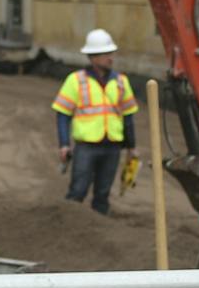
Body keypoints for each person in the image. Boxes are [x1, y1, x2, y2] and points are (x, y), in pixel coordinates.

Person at [53, 28, 139, 216]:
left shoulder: (121, 82)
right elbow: (63, 114)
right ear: (93, 57)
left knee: (103, 193)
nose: (111, 57)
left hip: (112, 146)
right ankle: (68, 226)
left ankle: (99, 231)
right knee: (78, 190)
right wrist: (64, 145)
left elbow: (128, 117)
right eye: (106, 53)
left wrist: (132, 147)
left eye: (111, 53)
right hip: (87, 146)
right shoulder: (76, 81)